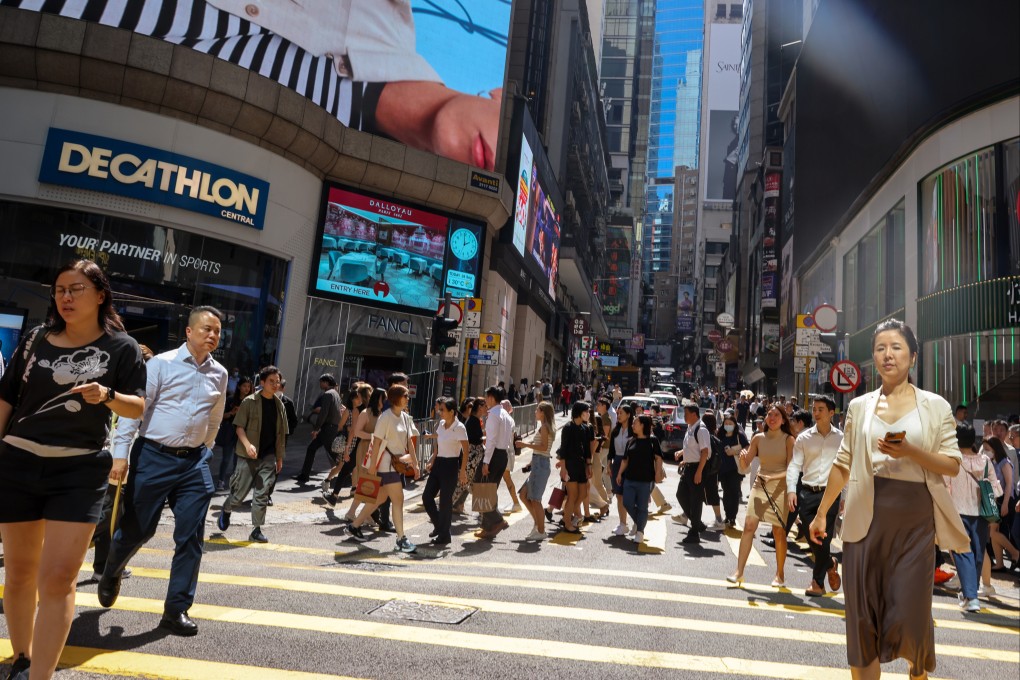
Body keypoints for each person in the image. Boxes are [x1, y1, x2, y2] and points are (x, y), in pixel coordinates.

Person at [0, 260, 146, 679]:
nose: (65, 297)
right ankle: (22, 658)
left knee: (60, 578)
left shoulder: (123, 348)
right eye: (60, 289)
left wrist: (107, 394)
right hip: (18, 461)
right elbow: (7, 397)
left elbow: (137, 406)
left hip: (79, 471)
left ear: (100, 295)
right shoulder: (37, 339)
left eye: (76, 289)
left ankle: (40, 675)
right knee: (19, 572)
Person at [808, 319, 970, 679]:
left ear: (913, 356)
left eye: (896, 347)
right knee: (861, 619)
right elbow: (843, 463)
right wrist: (821, 514)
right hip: (864, 519)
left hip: (915, 522)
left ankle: (916, 667)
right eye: (880, 348)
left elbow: (952, 464)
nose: (888, 355)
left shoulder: (935, 406)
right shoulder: (859, 406)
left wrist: (911, 450)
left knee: (910, 614)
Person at [94, 305, 226, 641]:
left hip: (194, 462)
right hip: (153, 456)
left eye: (217, 331)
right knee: (139, 529)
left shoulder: (220, 374)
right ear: (189, 332)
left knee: (191, 536)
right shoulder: (160, 364)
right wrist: (120, 456)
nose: (212, 335)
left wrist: (206, 450)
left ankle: (176, 610)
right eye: (206, 329)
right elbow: (134, 412)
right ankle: (112, 570)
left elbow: (215, 418)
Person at [217, 366, 289, 543]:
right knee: (239, 494)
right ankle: (227, 509)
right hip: (247, 455)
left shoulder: (280, 405)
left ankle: (256, 530)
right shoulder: (249, 402)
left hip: (269, 456)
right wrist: (248, 445)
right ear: (262, 382)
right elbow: (239, 427)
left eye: (277, 382)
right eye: (271, 381)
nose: (275, 384)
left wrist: (279, 457)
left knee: (262, 494)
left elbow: (281, 435)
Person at [347, 384, 420, 551]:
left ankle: (354, 525)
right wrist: (373, 466)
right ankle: (401, 538)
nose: (408, 398)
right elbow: (377, 442)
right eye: (405, 396)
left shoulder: (405, 417)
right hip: (386, 466)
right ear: (396, 398)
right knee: (398, 499)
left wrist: (415, 464)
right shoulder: (385, 417)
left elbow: (410, 443)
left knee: (379, 498)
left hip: (397, 465)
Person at [728, 405, 794, 587]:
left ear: (783, 419)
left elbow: (792, 469)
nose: (772, 418)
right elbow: (745, 467)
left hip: (780, 487)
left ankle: (780, 574)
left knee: (778, 532)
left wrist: (774, 477)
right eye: (769, 414)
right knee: (749, 526)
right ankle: (739, 572)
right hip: (760, 485)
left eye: (777, 415)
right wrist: (742, 457)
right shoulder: (758, 438)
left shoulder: (789, 440)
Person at [786, 395, 844, 596]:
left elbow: (846, 469)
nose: (816, 413)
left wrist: (844, 496)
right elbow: (795, 465)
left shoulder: (842, 439)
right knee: (811, 536)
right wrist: (791, 490)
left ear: (831, 413)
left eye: (821, 409)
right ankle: (830, 563)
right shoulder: (804, 438)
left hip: (830, 494)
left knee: (822, 538)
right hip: (806, 493)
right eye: (814, 409)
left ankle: (817, 583)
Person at [946, 424, 1002, 611]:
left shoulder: (953, 460)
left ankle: (970, 596)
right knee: (977, 554)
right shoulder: (985, 461)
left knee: (963, 552)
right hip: (981, 514)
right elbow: (996, 490)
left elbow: (945, 487)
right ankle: (970, 594)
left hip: (958, 512)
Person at [421, 397, 468, 546]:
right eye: (439, 409)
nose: (439, 412)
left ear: (452, 411)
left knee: (445, 502)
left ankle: (444, 535)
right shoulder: (441, 424)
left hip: (451, 465)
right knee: (427, 497)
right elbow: (439, 440)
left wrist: (462, 471)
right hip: (439, 464)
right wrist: (432, 459)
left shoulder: (459, 427)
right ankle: (440, 527)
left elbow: (466, 450)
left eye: (442, 410)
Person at [617, 414, 664, 545]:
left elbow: (658, 458)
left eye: (635, 423)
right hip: (629, 479)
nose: (632, 425)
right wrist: (619, 473)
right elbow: (625, 460)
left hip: (646, 480)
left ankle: (640, 532)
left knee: (642, 507)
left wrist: (658, 473)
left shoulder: (652, 440)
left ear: (642, 425)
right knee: (627, 503)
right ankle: (639, 522)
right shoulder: (631, 441)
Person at [475, 386, 515, 539]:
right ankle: (487, 528)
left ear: (491, 398)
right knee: (489, 491)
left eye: (486, 397)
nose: (485, 401)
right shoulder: (505, 414)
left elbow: (491, 441)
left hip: (493, 455)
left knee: (482, 490)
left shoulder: (493, 415)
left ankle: (498, 521)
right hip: (502, 455)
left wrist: (486, 462)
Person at [341, 386, 385, 521]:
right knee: (367, 482)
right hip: (366, 449)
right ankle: (354, 513)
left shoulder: (381, 413)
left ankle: (363, 514)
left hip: (376, 449)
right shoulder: (365, 413)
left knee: (370, 482)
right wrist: (373, 436)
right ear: (378, 399)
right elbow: (357, 432)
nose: (385, 402)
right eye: (383, 399)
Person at [516, 401, 556, 541]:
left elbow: (544, 448)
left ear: (543, 412)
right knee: (524, 494)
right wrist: (530, 464)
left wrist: (524, 444)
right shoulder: (545, 427)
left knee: (535, 499)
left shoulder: (545, 427)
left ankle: (541, 530)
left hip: (541, 464)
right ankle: (537, 523)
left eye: (537, 410)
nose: (535, 412)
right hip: (538, 463)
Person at [295, 373, 342, 484]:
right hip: (331, 427)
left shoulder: (328, 394)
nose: (320, 384)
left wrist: (316, 429)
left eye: (321, 382)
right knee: (312, 448)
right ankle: (304, 475)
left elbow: (323, 413)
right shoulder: (336, 394)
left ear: (326, 382)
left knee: (334, 453)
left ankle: (347, 472)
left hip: (328, 428)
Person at [674, 404, 711, 544]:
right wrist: (683, 455)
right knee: (681, 494)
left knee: (696, 501)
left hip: (697, 468)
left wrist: (699, 472)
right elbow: (692, 448)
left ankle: (694, 533)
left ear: (694, 414)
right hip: (689, 467)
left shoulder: (701, 429)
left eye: (686, 414)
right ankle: (697, 523)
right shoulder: (691, 427)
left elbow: (704, 452)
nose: (684, 416)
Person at [557, 401, 593, 535]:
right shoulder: (568, 427)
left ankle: (567, 516)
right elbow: (563, 449)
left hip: (581, 465)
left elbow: (587, 450)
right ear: (579, 412)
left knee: (583, 493)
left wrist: (589, 465)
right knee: (572, 495)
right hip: (570, 465)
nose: (588, 414)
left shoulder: (584, 428)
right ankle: (567, 523)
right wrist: (563, 468)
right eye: (586, 411)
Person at [216, 377, 252, 490]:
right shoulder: (230, 400)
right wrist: (232, 412)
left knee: (238, 460)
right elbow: (221, 416)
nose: (247, 389)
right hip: (230, 431)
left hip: (243, 433)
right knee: (226, 459)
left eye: (248, 386)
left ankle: (235, 482)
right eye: (244, 386)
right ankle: (221, 480)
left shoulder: (251, 401)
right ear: (239, 386)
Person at [452, 397, 486, 514]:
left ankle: (481, 510)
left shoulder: (474, 419)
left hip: (474, 458)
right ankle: (447, 505)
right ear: (480, 407)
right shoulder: (473, 421)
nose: (487, 409)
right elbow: (473, 440)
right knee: (463, 483)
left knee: (469, 484)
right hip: (471, 458)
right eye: (485, 406)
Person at [718, 412, 750, 528]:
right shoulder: (720, 435)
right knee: (726, 493)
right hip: (723, 469)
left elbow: (747, 447)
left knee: (734, 493)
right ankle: (728, 515)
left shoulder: (739, 435)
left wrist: (735, 452)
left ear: (735, 425)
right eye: (726, 423)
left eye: (730, 423)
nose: (728, 425)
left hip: (736, 469)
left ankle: (732, 517)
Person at [609, 404, 635, 536]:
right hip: (617, 462)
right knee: (619, 495)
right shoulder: (615, 430)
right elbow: (611, 450)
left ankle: (637, 522)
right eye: (618, 413)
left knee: (628, 496)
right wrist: (609, 463)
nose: (618, 415)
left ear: (628, 415)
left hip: (630, 464)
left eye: (621, 413)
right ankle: (623, 524)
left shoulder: (633, 431)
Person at [500, 399, 523, 512]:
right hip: (508, 452)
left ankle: (516, 503)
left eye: (502, 406)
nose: (501, 408)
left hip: (505, 452)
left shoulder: (506, 420)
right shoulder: (509, 419)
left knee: (506, 478)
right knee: (505, 478)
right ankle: (516, 503)